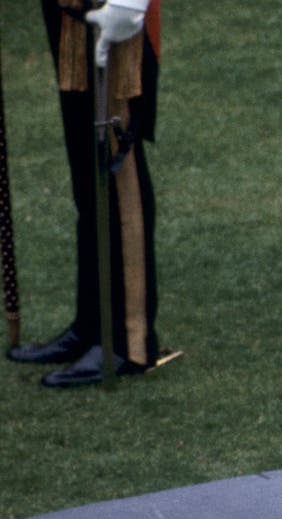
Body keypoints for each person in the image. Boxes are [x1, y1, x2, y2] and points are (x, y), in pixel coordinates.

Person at [6, 0, 162, 388]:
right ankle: (92, 325)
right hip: (70, 12)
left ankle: (129, 339)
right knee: (86, 170)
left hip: (116, 9)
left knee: (115, 162)